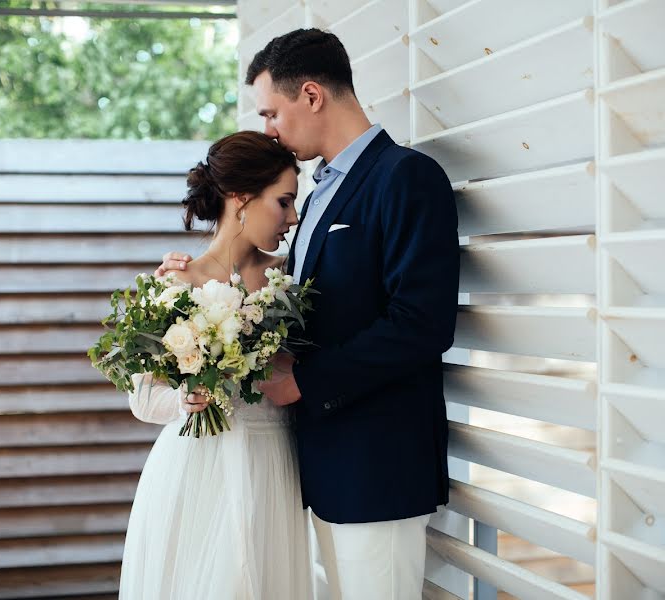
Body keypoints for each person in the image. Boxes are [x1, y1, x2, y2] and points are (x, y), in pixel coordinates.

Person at [157, 28, 460, 600]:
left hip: (379, 468)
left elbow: (423, 322)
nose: (267, 129)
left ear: (313, 96)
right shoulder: (316, 194)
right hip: (313, 468)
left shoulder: (407, 178)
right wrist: (190, 289)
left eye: (272, 112)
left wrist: (303, 381)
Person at [118, 131, 313, 599]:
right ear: (241, 198)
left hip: (272, 461)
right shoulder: (176, 281)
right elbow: (143, 398)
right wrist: (185, 400)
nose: (292, 217)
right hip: (195, 467)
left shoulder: (291, 276)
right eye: (283, 202)